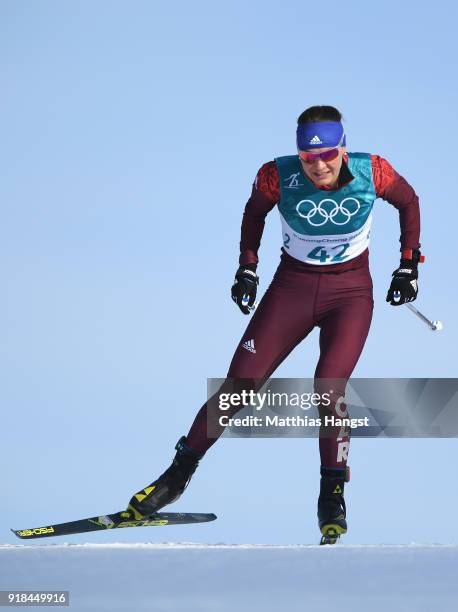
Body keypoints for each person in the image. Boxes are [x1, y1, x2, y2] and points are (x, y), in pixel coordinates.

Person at [125, 105, 423, 543]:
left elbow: (409, 202)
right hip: (292, 289)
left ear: (343, 147)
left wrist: (408, 266)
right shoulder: (274, 176)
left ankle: (332, 491)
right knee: (239, 385)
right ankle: (177, 474)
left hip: (350, 294)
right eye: (308, 156)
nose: (319, 165)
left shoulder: (373, 171)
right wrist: (247, 268)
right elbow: (253, 214)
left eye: (328, 155)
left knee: (329, 387)